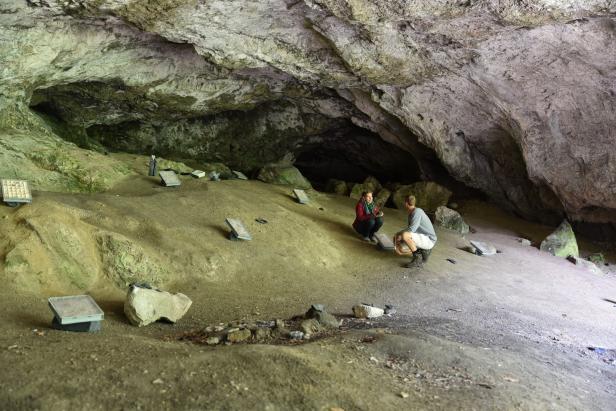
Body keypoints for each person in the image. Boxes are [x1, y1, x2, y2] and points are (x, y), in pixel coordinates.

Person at [394, 195, 437, 267]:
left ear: (406, 203)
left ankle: (418, 258)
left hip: (429, 240)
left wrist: (399, 234)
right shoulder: (413, 212)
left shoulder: (417, 212)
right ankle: (423, 252)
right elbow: (411, 231)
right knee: (402, 242)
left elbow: (411, 230)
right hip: (424, 238)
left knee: (404, 235)